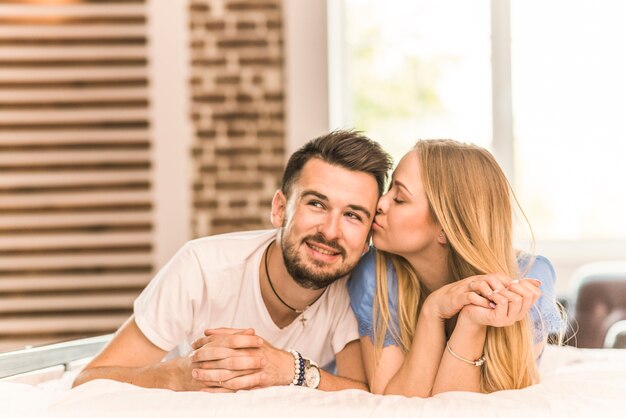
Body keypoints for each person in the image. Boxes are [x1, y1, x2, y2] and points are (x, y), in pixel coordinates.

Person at [73, 130, 393, 392]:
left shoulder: (356, 287)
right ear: (280, 209)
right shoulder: (200, 267)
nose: (330, 231)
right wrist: (179, 376)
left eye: (352, 215)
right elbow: (87, 382)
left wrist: (292, 370)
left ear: (367, 237)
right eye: (316, 204)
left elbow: (360, 393)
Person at [349, 139, 564, 397]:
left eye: (400, 198)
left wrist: (471, 322)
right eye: (388, 190)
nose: (380, 204)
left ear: (445, 228)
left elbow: (476, 405)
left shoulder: (527, 278)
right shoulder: (377, 274)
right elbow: (394, 400)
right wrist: (433, 311)